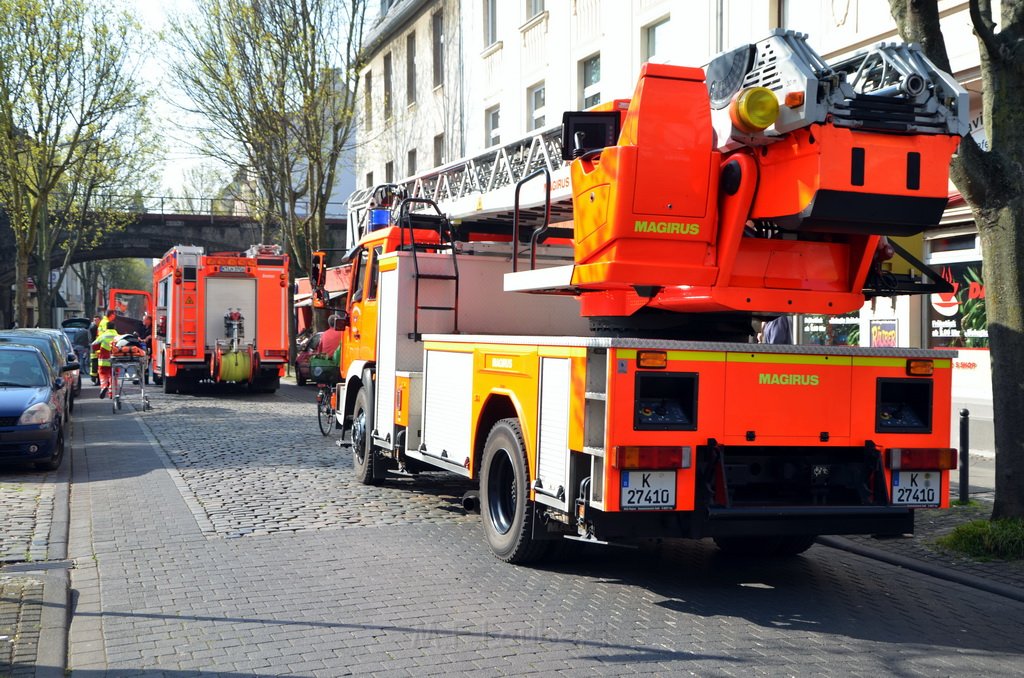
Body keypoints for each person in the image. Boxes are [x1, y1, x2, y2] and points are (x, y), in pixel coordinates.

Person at [92, 324, 119, 398]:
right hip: (115, 361)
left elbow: (93, 345)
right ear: (114, 328)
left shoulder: (103, 336)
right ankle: (111, 393)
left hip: (103, 361)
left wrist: (98, 349)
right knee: (113, 377)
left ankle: (104, 387)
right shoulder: (118, 336)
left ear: (106, 328)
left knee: (103, 375)